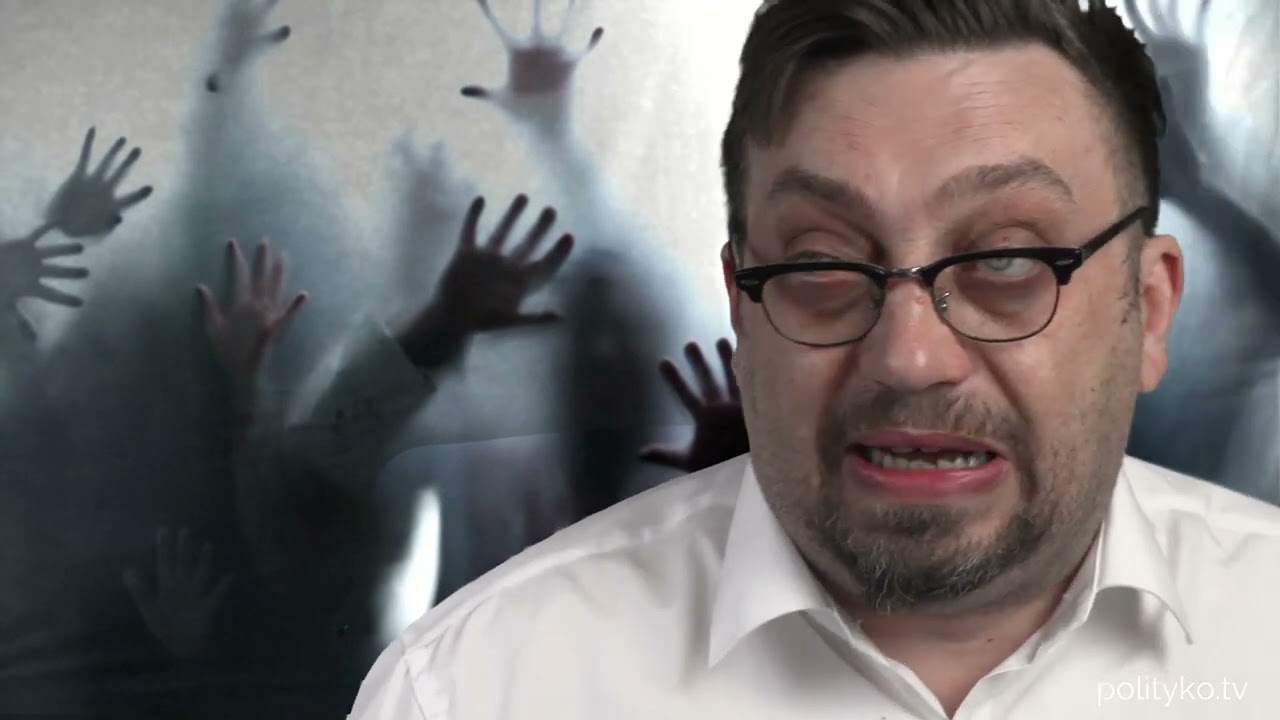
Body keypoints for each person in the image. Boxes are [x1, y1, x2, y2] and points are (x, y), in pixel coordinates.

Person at [348, 1, 1280, 718]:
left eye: (1006, 261)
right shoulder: (473, 690)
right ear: (742, 311)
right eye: (821, 264)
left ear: (1149, 309)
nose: (909, 358)